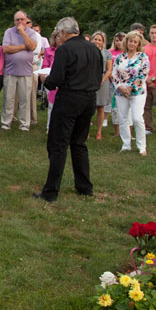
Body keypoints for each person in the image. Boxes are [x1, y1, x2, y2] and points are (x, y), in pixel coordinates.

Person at [34, 17, 102, 203]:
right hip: (89, 99)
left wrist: (44, 81)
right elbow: (98, 75)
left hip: (70, 99)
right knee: (79, 144)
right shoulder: (94, 49)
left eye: (58, 33)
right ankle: (85, 187)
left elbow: (55, 79)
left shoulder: (65, 49)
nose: (58, 37)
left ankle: (51, 191)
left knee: (59, 145)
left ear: (64, 32)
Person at [113, 31, 150, 155]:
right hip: (121, 92)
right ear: (126, 42)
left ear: (138, 44)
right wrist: (120, 87)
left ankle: (142, 146)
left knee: (137, 118)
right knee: (123, 118)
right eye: (130, 41)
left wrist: (131, 87)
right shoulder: (119, 58)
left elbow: (143, 74)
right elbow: (114, 74)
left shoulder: (143, 57)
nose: (132, 44)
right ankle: (126, 144)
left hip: (137, 92)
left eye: (135, 42)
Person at [1, 11, 39, 131]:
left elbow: (32, 46)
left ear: (26, 20)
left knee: (25, 100)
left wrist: (23, 32)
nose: (19, 22)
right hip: (10, 71)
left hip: (26, 72)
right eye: (17, 20)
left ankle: (24, 124)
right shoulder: (9, 32)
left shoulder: (32, 33)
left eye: (22, 19)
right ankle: (6, 123)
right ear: (14, 21)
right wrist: (24, 47)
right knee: (9, 99)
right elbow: (6, 48)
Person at [89, 31, 113, 140]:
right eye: (95, 39)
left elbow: (109, 70)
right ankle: (86, 131)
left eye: (100, 40)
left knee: (101, 107)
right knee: (88, 107)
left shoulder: (107, 53)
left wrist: (102, 80)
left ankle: (99, 132)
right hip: (89, 81)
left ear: (103, 42)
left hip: (102, 81)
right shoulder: (87, 51)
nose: (97, 41)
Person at [29, 21, 50, 127]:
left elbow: (45, 51)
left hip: (35, 65)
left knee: (33, 91)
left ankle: (33, 117)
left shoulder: (41, 38)